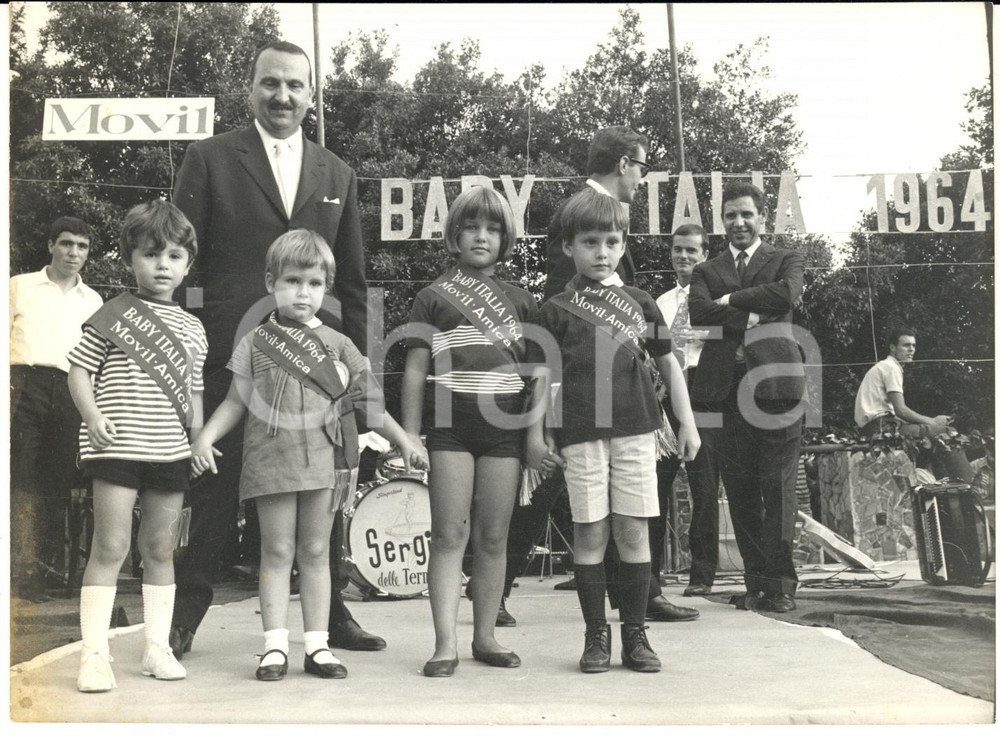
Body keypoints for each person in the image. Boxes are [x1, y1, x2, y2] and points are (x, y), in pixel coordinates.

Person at [170, 40, 380, 658]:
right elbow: (185, 262)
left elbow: (353, 285)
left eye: (295, 86)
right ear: (252, 88)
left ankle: (331, 617)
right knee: (214, 487)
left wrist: (361, 396)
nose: (282, 96)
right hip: (230, 359)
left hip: (318, 371)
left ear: (311, 96)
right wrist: (189, 345)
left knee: (324, 490)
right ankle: (186, 615)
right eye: (271, 83)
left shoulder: (337, 172)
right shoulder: (207, 158)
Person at [190, 230, 426, 681]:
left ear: (326, 288)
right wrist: (204, 438)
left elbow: (370, 407)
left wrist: (404, 440)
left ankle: (317, 647)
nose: (304, 292)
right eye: (293, 280)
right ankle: (274, 646)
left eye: (315, 283)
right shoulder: (256, 341)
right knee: (276, 552)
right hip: (270, 461)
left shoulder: (339, 344)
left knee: (317, 551)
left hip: (325, 462)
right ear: (270, 282)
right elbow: (235, 403)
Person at [498, 125, 698, 626]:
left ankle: (634, 606)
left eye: (612, 243)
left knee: (621, 514)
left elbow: (651, 339)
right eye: (642, 165)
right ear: (624, 163)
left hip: (623, 391)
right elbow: (566, 303)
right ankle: (497, 587)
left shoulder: (611, 227)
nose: (603, 250)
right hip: (581, 383)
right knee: (552, 496)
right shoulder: (580, 216)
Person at [531, 189, 701, 674]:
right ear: (569, 248)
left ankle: (636, 636)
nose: (601, 252)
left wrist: (686, 423)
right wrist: (541, 434)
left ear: (623, 245)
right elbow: (546, 379)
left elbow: (669, 367)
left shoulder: (642, 302)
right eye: (589, 242)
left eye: (610, 242)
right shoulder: (555, 309)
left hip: (636, 430)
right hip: (580, 432)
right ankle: (595, 636)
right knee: (590, 532)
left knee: (633, 531)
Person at [401, 187, 544, 677]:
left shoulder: (524, 302)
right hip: (449, 431)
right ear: (454, 235)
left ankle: (486, 636)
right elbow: (416, 369)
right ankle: (446, 644)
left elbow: (535, 376)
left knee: (493, 536)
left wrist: (534, 434)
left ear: (505, 239)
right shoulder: (432, 296)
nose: (481, 236)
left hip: (505, 432)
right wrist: (410, 434)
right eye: (471, 227)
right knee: (448, 534)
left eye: (493, 228)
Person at [67, 201, 208, 692]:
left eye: (173, 256)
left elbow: (193, 392)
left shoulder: (193, 327)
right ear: (130, 258)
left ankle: (156, 647)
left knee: (161, 548)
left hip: (168, 451)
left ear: (188, 263)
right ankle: (94, 654)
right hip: (117, 447)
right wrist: (92, 416)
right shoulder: (112, 314)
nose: (162, 265)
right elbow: (79, 372)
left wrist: (198, 439)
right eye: (151, 254)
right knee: (110, 545)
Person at [688, 182, 806, 614]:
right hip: (724, 393)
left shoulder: (786, 259)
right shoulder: (706, 269)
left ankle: (782, 587)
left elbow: (787, 293)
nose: (739, 222)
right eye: (731, 215)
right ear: (722, 221)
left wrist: (731, 300)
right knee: (739, 490)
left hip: (777, 390)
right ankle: (756, 584)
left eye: (746, 214)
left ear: (761, 217)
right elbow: (699, 312)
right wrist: (758, 312)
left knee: (776, 489)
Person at [10, 217, 103, 602]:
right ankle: (19, 568)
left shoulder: (93, 301)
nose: (73, 253)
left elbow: (94, 364)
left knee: (56, 482)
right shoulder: (18, 286)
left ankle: (42, 570)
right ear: (51, 244)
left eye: (81, 247)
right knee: (20, 477)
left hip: (69, 392)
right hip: (22, 386)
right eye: (66, 244)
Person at [653, 224, 722, 597]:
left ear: (704, 255)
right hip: (668, 391)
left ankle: (702, 572)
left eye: (691, 251)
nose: (684, 257)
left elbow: (730, 337)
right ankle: (649, 572)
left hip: (704, 388)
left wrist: (706, 334)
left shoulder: (718, 300)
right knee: (657, 480)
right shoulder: (661, 302)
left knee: (704, 482)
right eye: (678, 250)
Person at [855, 327, 951, 440]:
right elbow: (901, 411)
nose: (911, 349)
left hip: (877, 426)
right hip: (881, 427)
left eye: (913, 345)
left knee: (928, 437)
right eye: (906, 345)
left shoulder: (886, 366)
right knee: (947, 432)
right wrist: (933, 422)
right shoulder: (891, 367)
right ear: (892, 347)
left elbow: (896, 414)